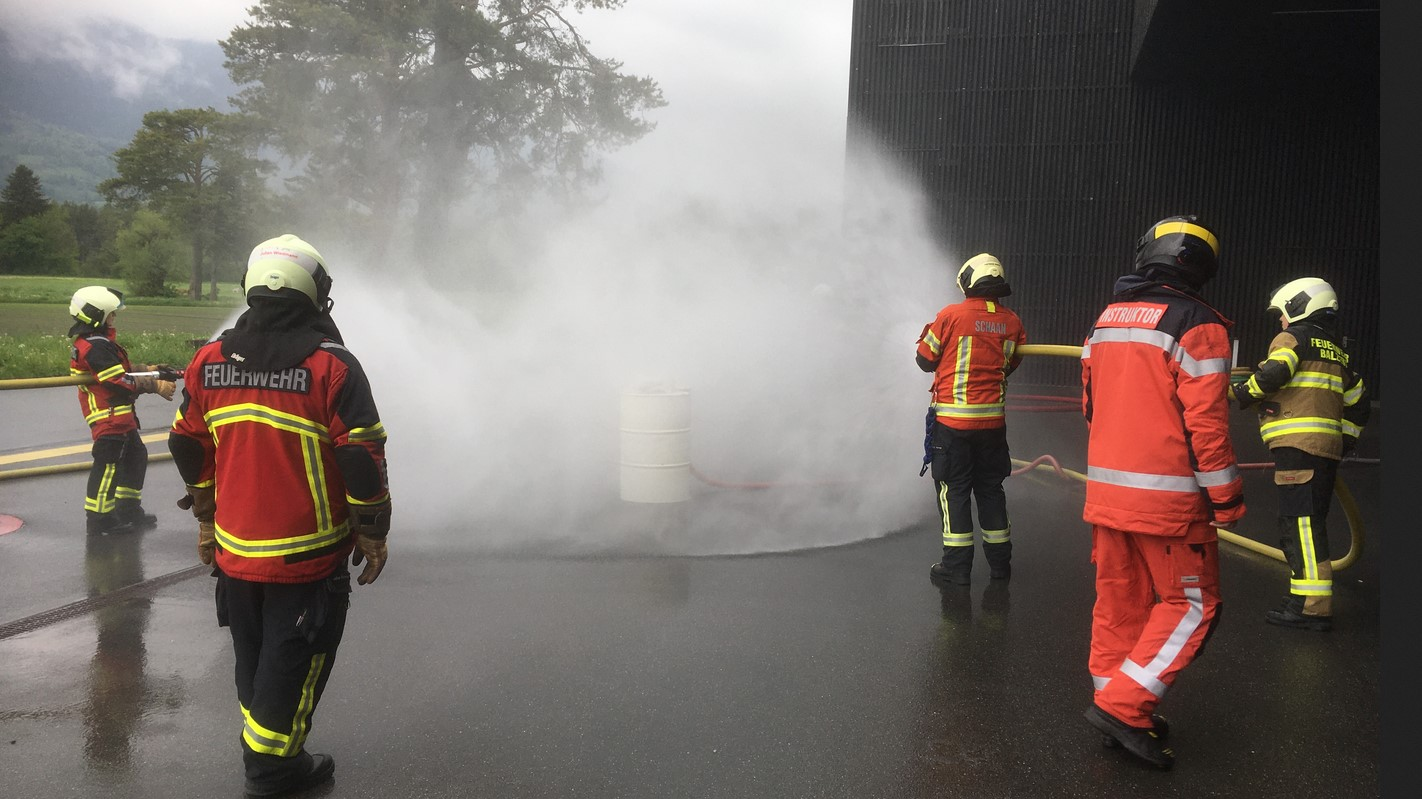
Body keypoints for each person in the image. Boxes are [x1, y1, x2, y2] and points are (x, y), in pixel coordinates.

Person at [168, 234, 392, 798]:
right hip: (307, 559)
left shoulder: (208, 360)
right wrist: (372, 531)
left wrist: (204, 516)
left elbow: (188, 444)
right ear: (315, 294)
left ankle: (264, 746)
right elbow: (359, 455)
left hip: (235, 552)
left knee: (256, 657)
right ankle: (272, 769)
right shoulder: (332, 367)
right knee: (293, 665)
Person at [1078, 216, 1245, 770]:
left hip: (1107, 492)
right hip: (1171, 503)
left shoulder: (1107, 318)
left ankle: (1116, 701)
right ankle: (1126, 707)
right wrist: (1226, 498)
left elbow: (1090, 405)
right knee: (1192, 606)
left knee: (1119, 603)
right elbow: (1208, 427)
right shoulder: (1200, 325)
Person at [1230, 277, 1369, 632]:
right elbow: (1359, 402)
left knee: (1300, 526)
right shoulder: (1336, 351)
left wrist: (1243, 393)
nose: (1280, 321)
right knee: (1307, 523)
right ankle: (1303, 598)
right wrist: (1343, 441)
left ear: (1299, 305)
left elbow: (1276, 370)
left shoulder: (1294, 338)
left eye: (1282, 313)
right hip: (1321, 452)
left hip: (1298, 449)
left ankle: (1311, 608)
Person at [915, 252, 1027, 586]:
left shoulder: (951, 315)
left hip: (953, 426)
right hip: (992, 426)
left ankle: (957, 567)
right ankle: (1000, 565)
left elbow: (924, 359)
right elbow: (1010, 365)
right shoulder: (1012, 322)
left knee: (954, 492)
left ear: (968, 281)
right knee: (991, 490)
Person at [67, 286, 176, 535]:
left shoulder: (100, 343)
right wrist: (155, 384)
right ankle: (100, 519)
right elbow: (117, 381)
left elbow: (123, 372)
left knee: (136, 458)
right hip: (108, 417)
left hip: (121, 416)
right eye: (111, 314)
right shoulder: (95, 347)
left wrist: (151, 368)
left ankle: (127, 508)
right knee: (107, 466)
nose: (114, 318)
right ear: (97, 315)